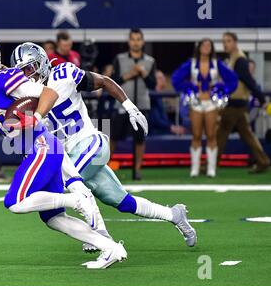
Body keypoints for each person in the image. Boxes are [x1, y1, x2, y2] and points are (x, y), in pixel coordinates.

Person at [0, 36, 127, 269]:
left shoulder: (6, 79)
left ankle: (76, 199)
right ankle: (111, 248)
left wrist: (34, 118)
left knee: (15, 202)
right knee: (53, 219)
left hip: (42, 146)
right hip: (35, 151)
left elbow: (49, 93)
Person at [11, 42, 197, 253]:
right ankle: (173, 214)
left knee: (68, 183)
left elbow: (104, 81)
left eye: (29, 68)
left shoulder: (64, 74)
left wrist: (130, 107)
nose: (26, 75)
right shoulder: (22, 96)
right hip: (68, 157)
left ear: (42, 63)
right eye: (20, 71)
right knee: (123, 201)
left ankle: (100, 234)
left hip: (90, 143)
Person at [172, 38, 238, 177]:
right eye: (204, 45)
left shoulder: (217, 63)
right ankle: (195, 169)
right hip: (196, 103)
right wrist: (191, 89)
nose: (206, 47)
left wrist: (220, 89)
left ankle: (211, 169)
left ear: (212, 48)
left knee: (211, 135)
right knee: (196, 135)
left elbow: (233, 80)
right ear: (199, 47)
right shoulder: (191, 63)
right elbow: (176, 79)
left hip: (211, 104)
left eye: (209, 45)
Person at [218, 32, 270, 173]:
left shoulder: (239, 60)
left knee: (221, 134)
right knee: (246, 135)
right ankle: (263, 161)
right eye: (224, 41)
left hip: (236, 103)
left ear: (235, 42)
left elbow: (248, 81)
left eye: (228, 41)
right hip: (237, 103)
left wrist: (261, 98)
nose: (225, 44)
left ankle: (211, 164)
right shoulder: (233, 59)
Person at [111, 29, 156, 180]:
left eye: (138, 39)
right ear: (129, 41)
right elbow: (112, 80)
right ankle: (107, 167)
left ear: (142, 42)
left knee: (140, 139)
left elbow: (153, 84)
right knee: (113, 137)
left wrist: (143, 73)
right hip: (122, 104)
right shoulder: (120, 58)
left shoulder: (150, 61)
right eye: (133, 39)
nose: (136, 42)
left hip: (142, 104)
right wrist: (129, 74)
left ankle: (137, 170)